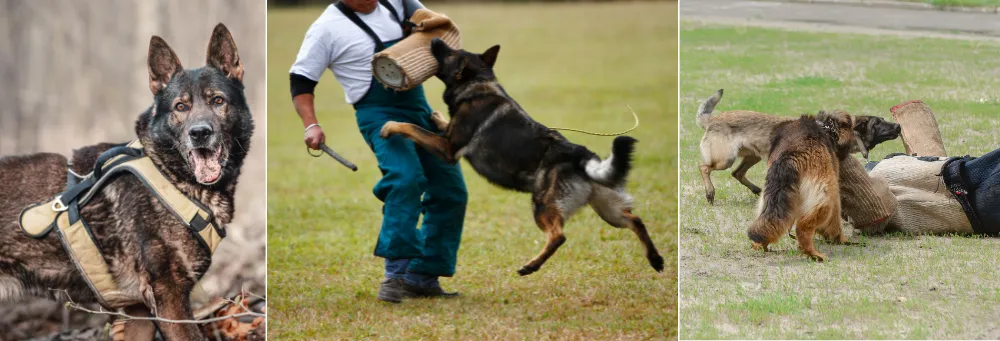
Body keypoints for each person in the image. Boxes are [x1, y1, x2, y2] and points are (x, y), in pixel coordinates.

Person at [289, 0, 468, 303]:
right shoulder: (325, 29)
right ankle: (395, 274)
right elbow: (301, 80)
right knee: (405, 178)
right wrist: (311, 125)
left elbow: (432, 22)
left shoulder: (395, 2)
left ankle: (422, 275)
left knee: (451, 189)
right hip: (378, 113)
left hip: (418, 106)